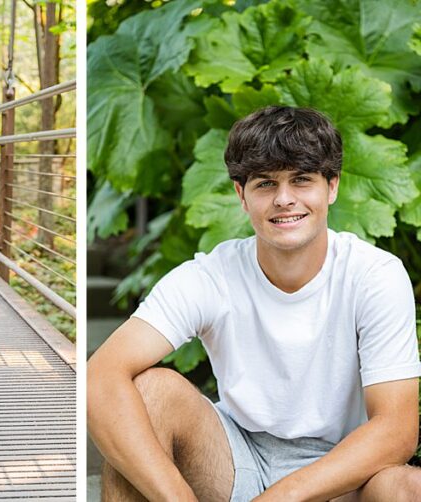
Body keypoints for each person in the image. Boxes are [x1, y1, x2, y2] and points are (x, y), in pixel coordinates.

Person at [88, 106, 421, 501]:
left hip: (344, 474)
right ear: (241, 195)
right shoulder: (211, 276)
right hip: (232, 461)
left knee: (408, 487)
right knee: (150, 393)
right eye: (265, 184)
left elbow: (396, 429)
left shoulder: (374, 275)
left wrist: (278, 497)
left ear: (332, 186)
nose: (284, 199)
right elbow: (101, 376)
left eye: (301, 180)